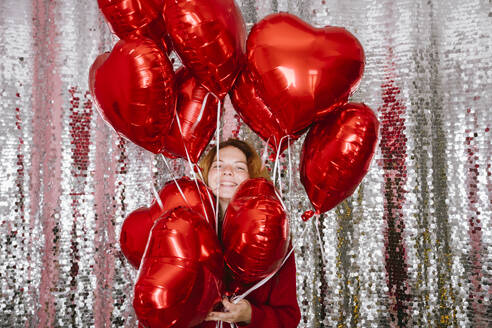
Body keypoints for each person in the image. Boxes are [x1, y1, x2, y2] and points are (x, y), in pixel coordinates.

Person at [195, 139, 301, 328]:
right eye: (218, 165)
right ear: (206, 174)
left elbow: (289, 317)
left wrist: (251, 315)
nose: (227, 171)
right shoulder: (187, 230)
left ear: (252, 178)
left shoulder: (273, 238)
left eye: (239, 168)